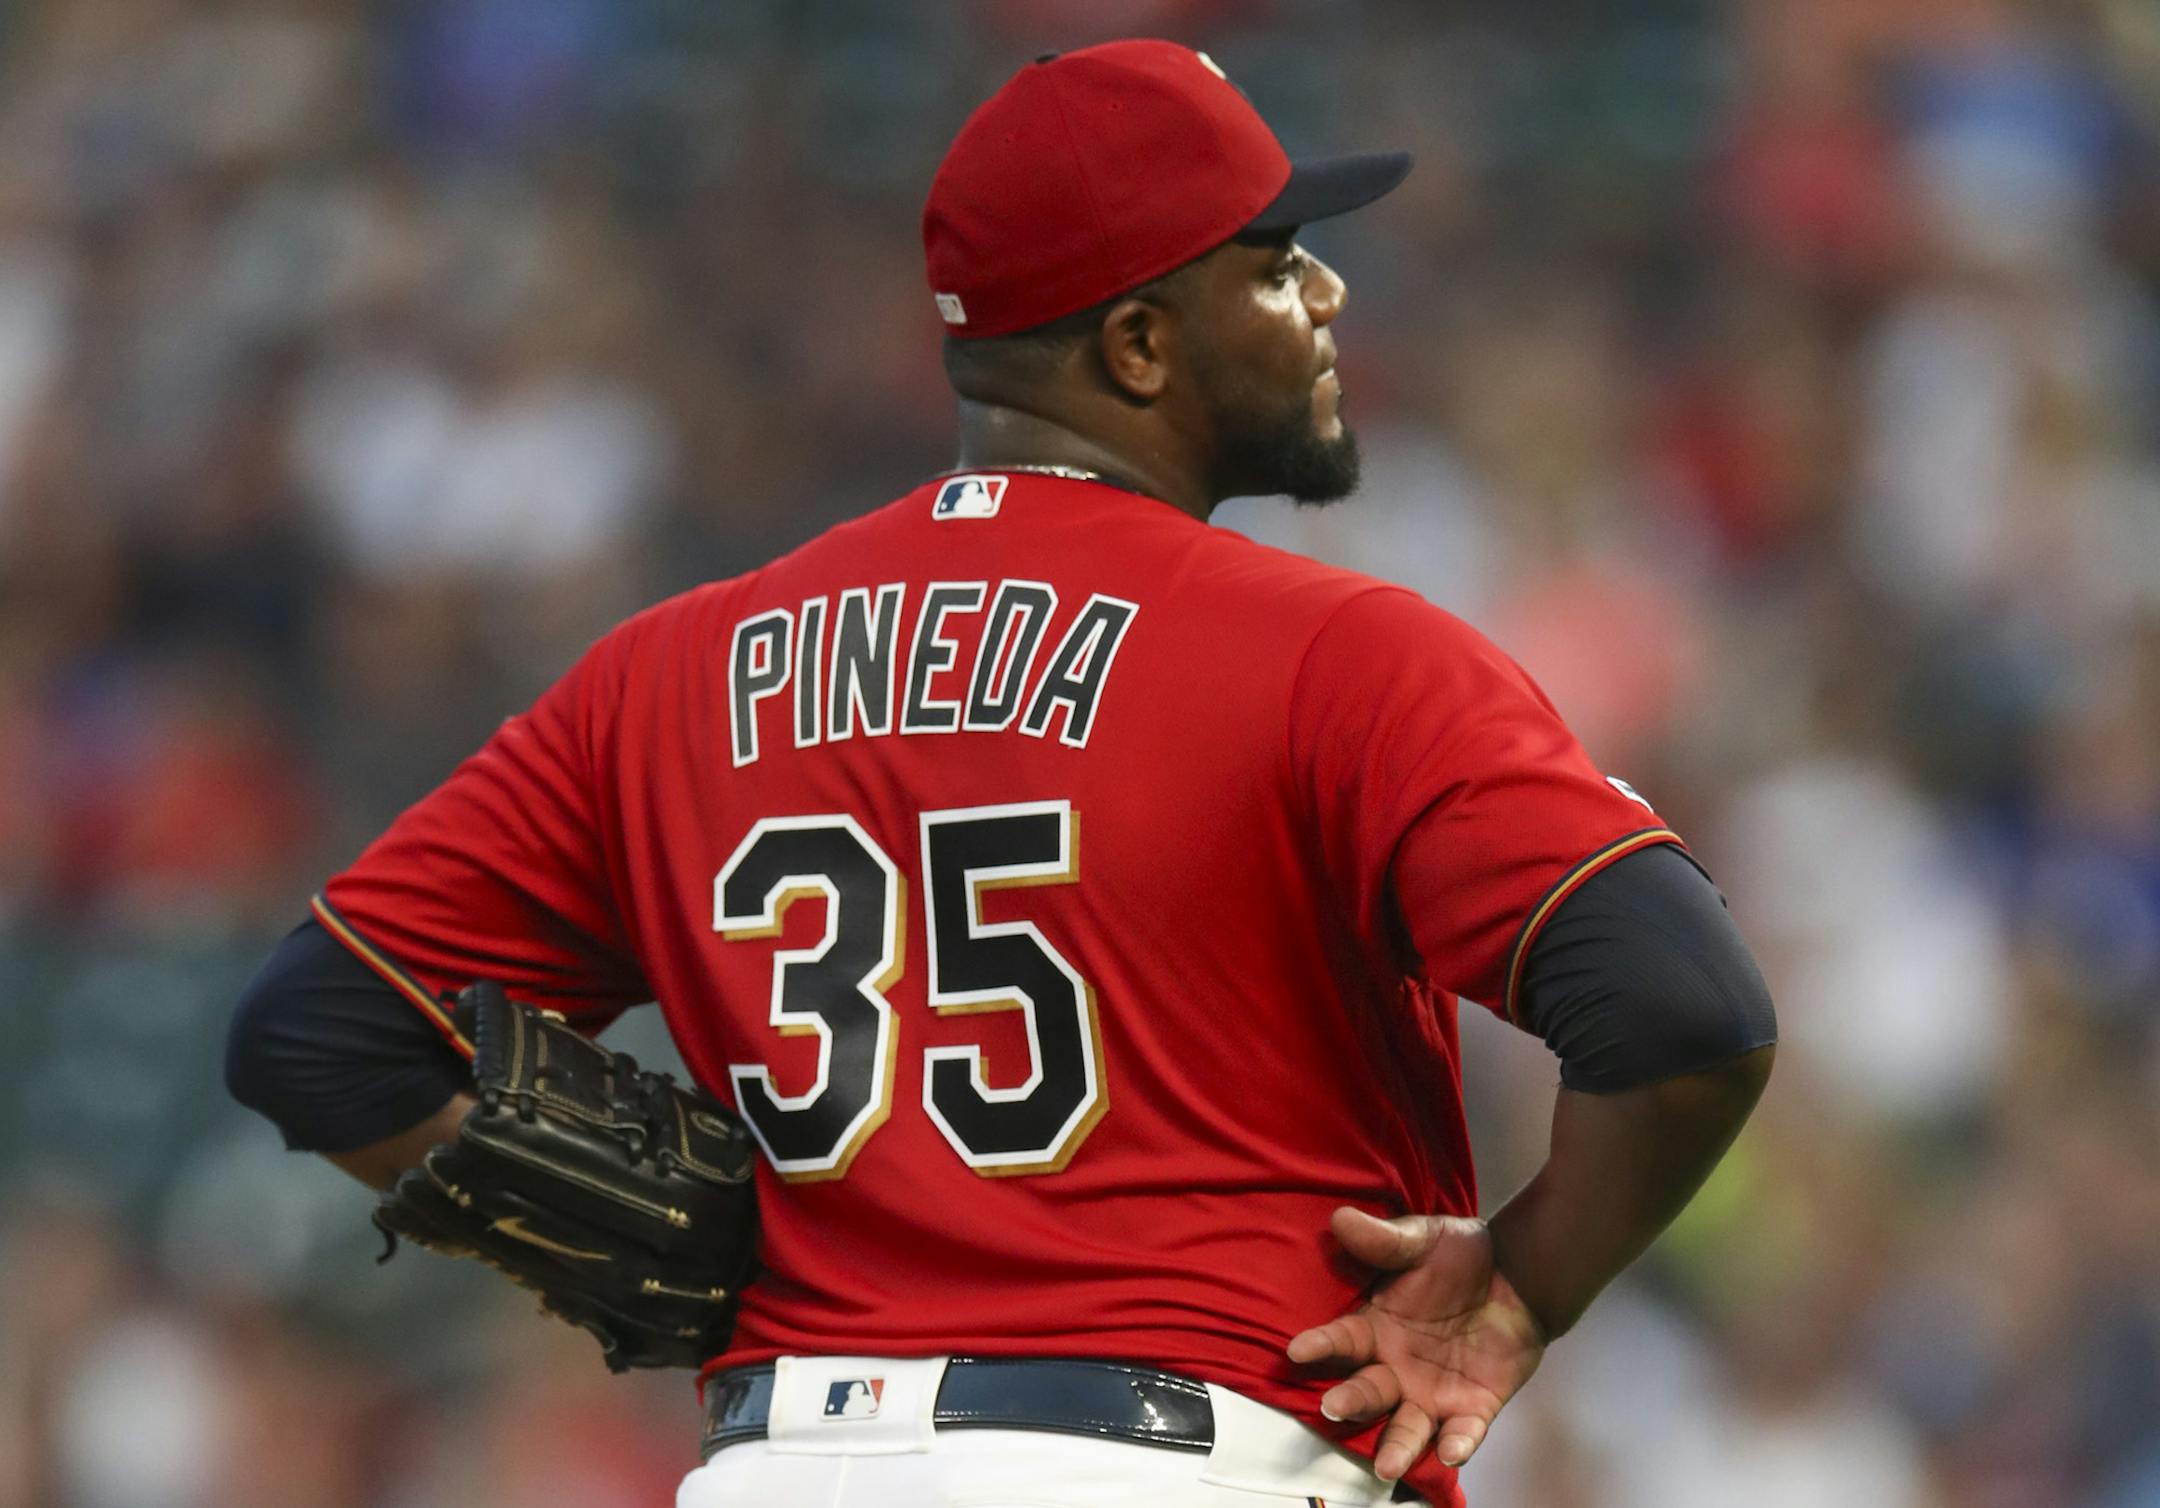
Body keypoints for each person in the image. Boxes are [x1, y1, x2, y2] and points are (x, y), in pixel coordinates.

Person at [226, 39, 1776, 1508]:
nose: (1326, 287)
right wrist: (1520, 1290)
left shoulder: (672, 672)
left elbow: (326, 1032)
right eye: (1275, 259)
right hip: (1189, 1454)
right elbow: (1684, 1009)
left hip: (783, 1464)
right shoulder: (1336, 653)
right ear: (1142, 343)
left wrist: (691, 1244)